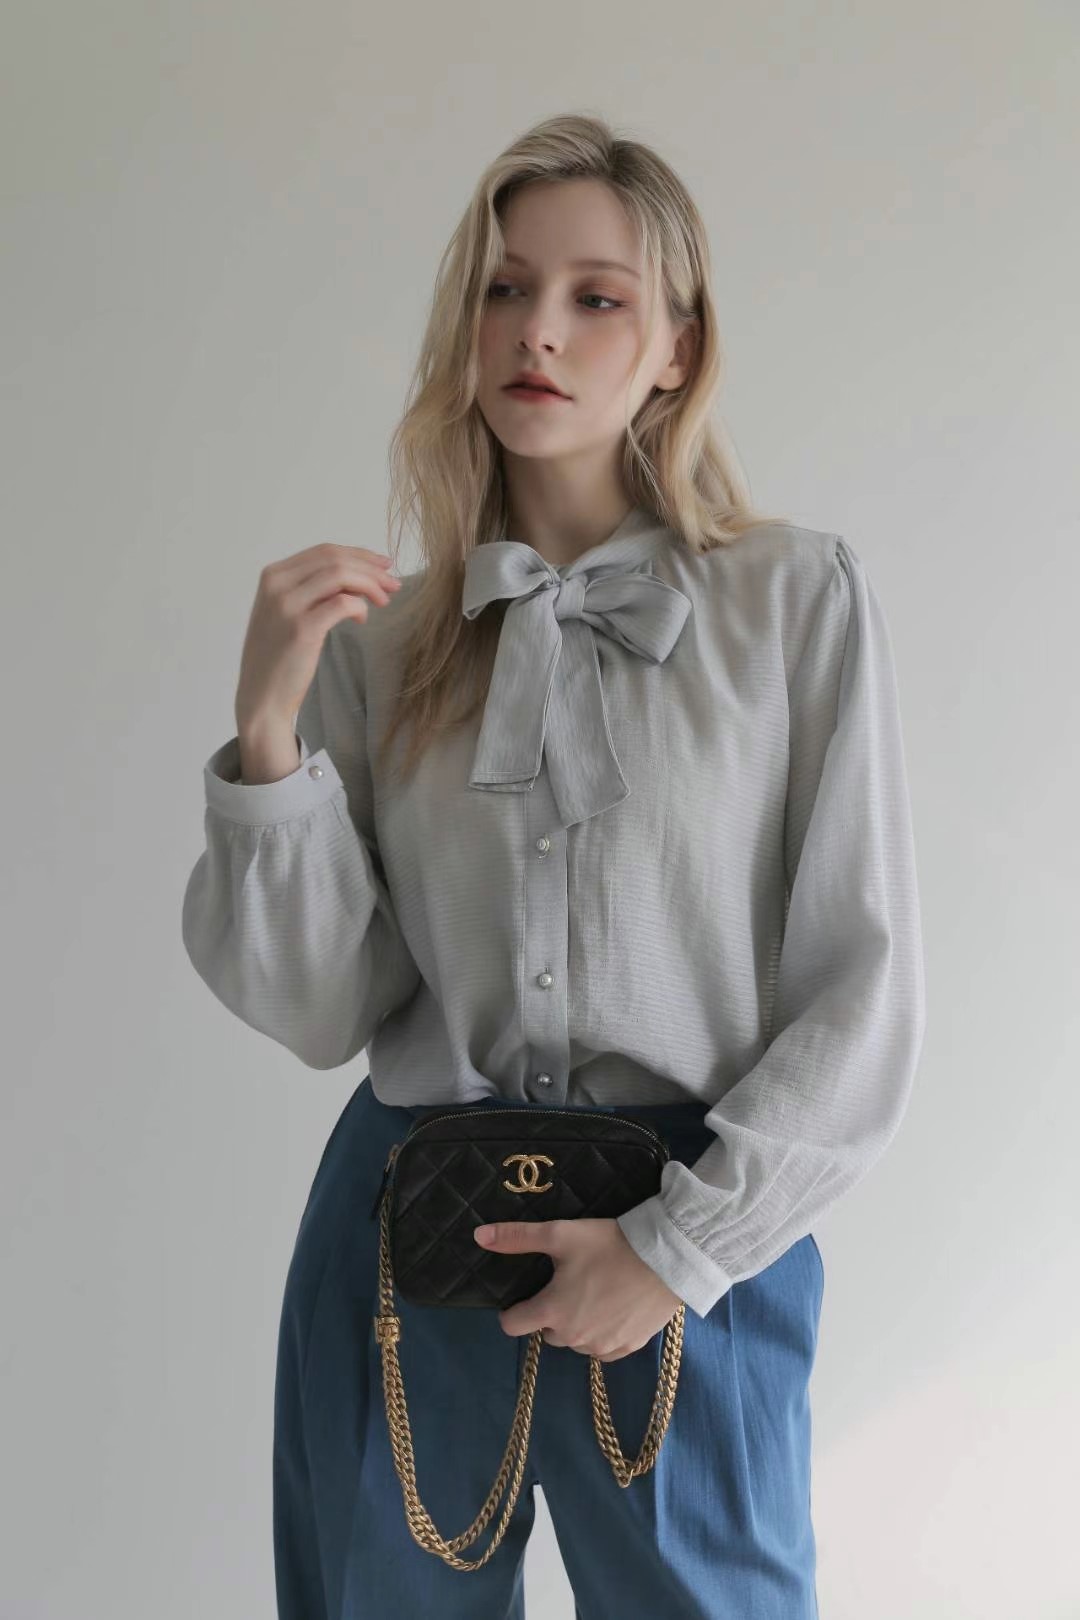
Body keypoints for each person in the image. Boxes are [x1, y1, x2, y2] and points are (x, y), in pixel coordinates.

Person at [181, 111, 926, 1620]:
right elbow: (326, 1010)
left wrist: (677, 1252)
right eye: (506, 289)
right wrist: (266, 734)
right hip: (406, 1238)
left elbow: (863, 992)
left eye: (598, 298)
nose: (539, 331)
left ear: (676, 347)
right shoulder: (381, 646)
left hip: (692, 1237)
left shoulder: (792, 601)